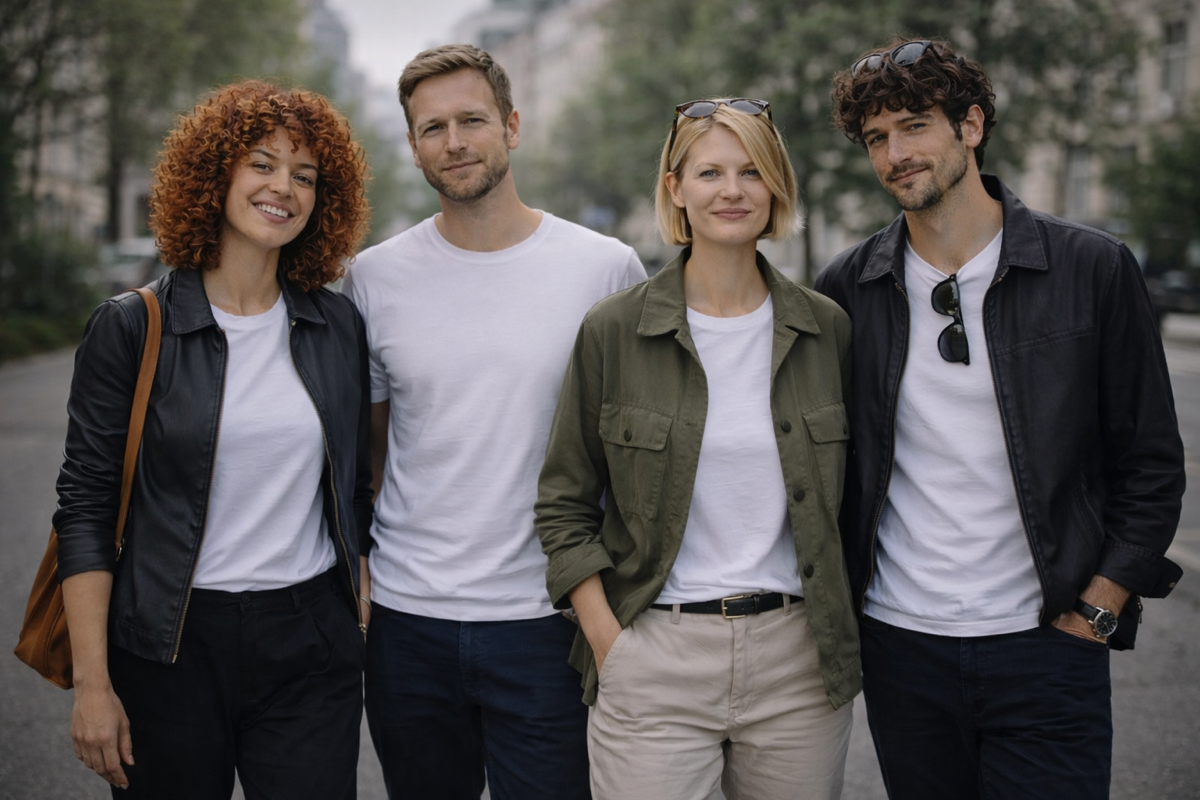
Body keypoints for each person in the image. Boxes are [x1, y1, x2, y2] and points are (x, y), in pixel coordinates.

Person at [815, 39, 1186, 799]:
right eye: (877, 138)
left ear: (972, 126)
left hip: (1047, 642)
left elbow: (1149, 463)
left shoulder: (1091, 268)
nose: (895, 154)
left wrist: (1101, 606)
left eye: (915, 125)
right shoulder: (849, 286)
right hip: (901, 645)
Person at [341, 44, 645, 800]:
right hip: (409, 626)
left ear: (511, 125)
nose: (454, 142)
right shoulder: (374, 278)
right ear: (412, 145)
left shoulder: (603, 268)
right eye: (432, 127)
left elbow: (636, 454)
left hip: (550, 620)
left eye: (472, 119)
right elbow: (372, 453)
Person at [535, 97, 861, 800]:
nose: (732, 190)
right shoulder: (615, 331)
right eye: (709, 172)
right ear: (675, 189)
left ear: (774, 185)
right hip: (655, 652)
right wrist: (609, 644)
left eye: (751, 170)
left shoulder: (826, 329)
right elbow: (563, 501)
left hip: (798, 660)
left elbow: (859, 500)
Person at [55, 80, 373, 799]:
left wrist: (358, 590)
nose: (282, 187)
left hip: (308, 644)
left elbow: (353, 482)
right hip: (169, 644)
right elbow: (85, 510)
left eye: (305, 175)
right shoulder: (132, 327)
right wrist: (93, 684)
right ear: (215, 174)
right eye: (261, 163)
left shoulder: (336, 327)